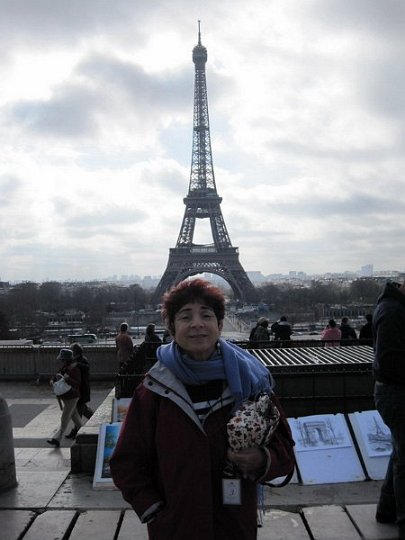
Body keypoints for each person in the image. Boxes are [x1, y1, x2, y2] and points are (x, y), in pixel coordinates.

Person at [110, 278, 294, 539]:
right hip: (178, 526)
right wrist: (154, 510)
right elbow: (127, 461)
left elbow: (285, 447)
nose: (197, 323)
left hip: (234, 524)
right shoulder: (152, 391)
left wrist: (263, 460)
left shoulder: (253, 382)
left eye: (206, 315)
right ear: (171, 327)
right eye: (186, 316)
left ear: (219, 325)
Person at [373, 280, 405, 540]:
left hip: (393, 391)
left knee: (400, 454)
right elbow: (388, 361)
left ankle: (387, 510)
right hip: (396, 393)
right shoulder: (393, 311)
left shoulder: (392, 307)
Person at [47, 348, 82, 448]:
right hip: (67, 396)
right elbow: (57, 375)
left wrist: (68, 379)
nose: (61, 361)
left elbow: (78, 383)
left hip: (72, 397)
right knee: (75, 418)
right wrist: (52, 380)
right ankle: (84, 433)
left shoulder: (75, 369)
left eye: (62, 359)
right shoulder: (65, 367)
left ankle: (57, 439)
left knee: (65, 418)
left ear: (66, 359)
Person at [65, 342, 93, 439]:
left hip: (82, 390)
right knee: (83, 410)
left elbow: (86, 368)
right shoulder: (76, 360)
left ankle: (75, 432)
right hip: (80, 390)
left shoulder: (82, 361)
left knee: (78, 413)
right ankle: (97, 421)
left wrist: (76, 364)